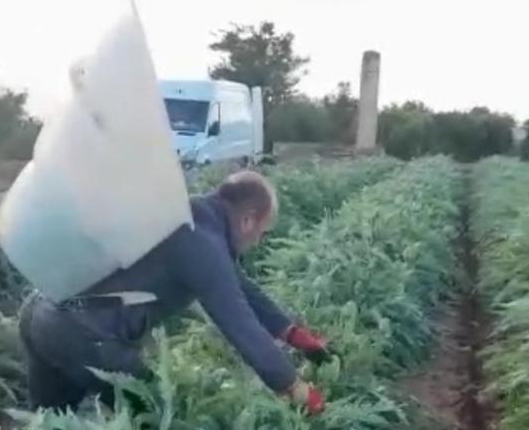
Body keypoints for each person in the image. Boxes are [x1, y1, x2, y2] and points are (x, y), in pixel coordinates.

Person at [19, 170, 331, 415]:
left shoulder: (189, 219)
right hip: (85, 336)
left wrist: (291, 332)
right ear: (248, 219)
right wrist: (293, 387)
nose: (259, 242)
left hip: (40, 312)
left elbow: (241, 287)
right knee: (160, 418)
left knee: (50, 428)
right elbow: (240, 325)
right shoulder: (202, 244)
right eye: (262, 232)